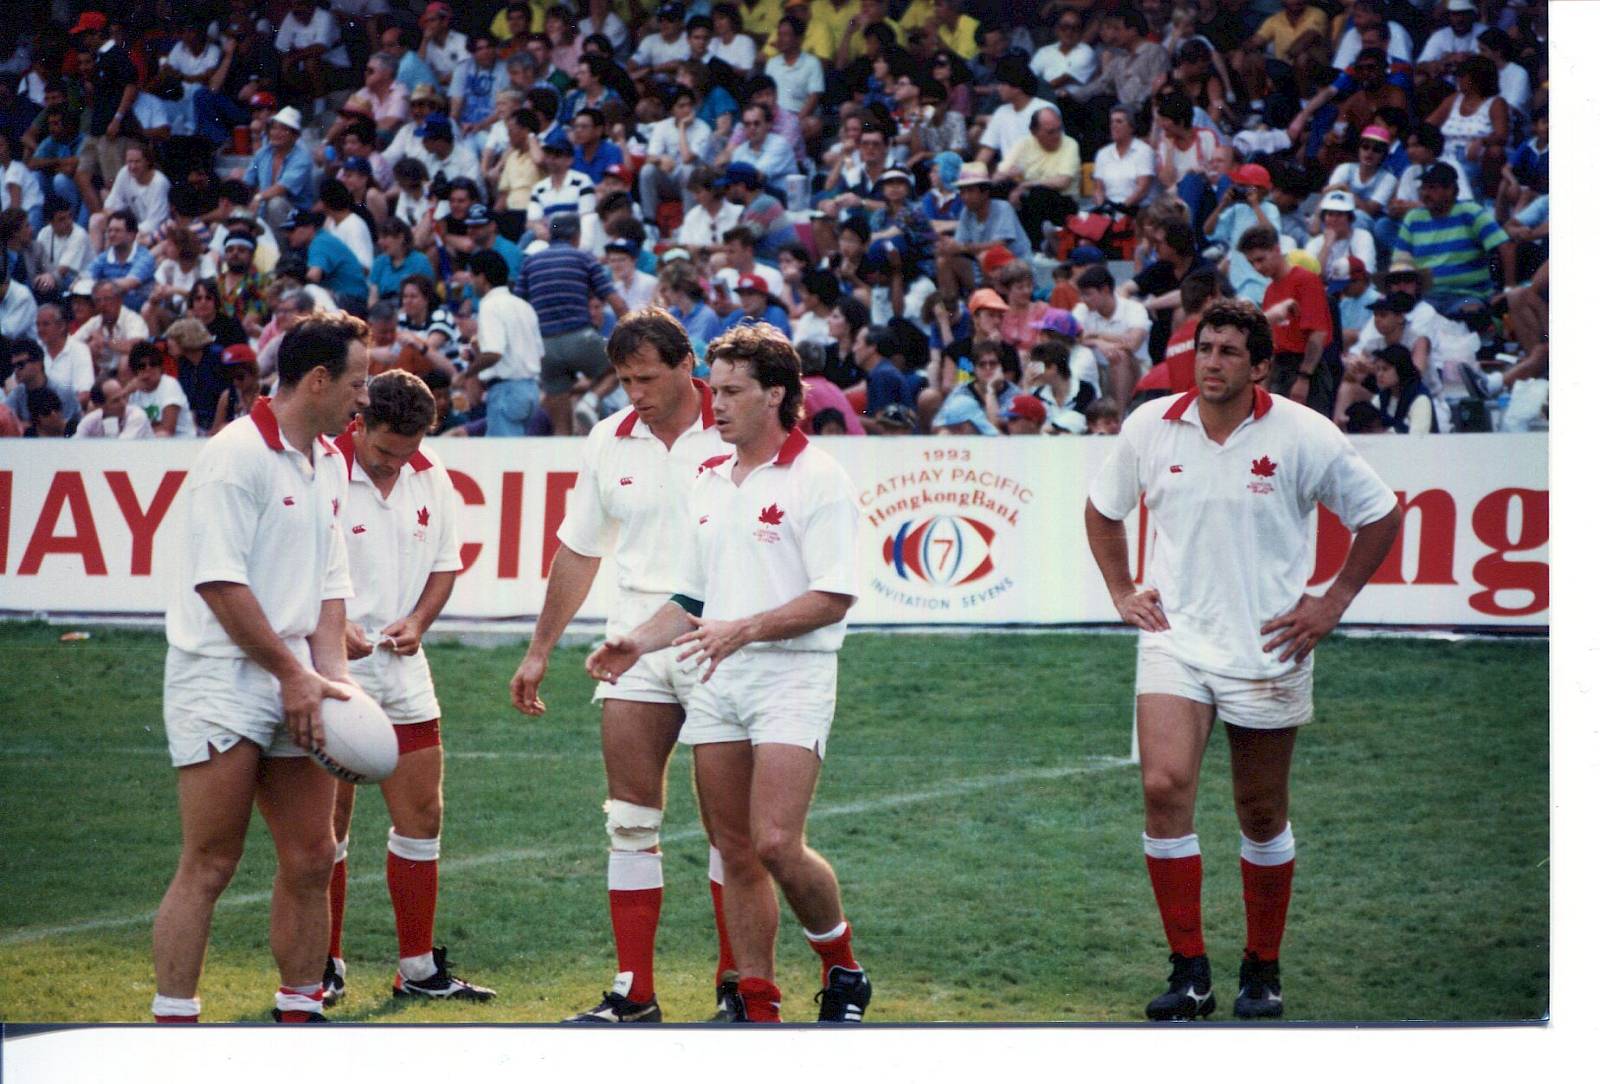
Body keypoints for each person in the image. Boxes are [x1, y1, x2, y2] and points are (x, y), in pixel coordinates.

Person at [1084, 298, 1402, 1023]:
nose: (1212, 362)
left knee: (1259, 811)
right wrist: (1122, 590)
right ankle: (1189, 972)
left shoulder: (1303, 433)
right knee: (1163, 786)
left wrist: (1332, 601)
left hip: (1267, 646)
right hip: (1175, 638)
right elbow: (1102, 510)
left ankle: (1262, 966)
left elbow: (1381, 514)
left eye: (1229, 351)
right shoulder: (1150, 425)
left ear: (1260, 366)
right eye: (1205, 348)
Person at [584, 323, 871, 1025]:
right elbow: (690, 597)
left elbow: (834, 596)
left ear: (776, 395)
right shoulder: (709, 479)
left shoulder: (820, 479)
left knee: (775, 843)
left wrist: (743, 629)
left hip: (792, 679)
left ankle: (840, 963)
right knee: (734, 849)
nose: (719, 405)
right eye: (717, 390)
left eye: (735, 391)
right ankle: (757, 1006)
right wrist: (635, 644)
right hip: (718, 677)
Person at [509, 308, 743, 1022]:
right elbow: (581, 549)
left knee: (731, 833)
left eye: (646, 379)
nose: (634, 394)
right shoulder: (608, 439)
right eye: (624, 381)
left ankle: (739, 986)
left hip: (719, 638)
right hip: (632, 642)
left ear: (687, 367)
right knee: (630, 821)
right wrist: (539, 649)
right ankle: (634, 992)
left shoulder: (736, 429)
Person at [150, 311, 372, 1024]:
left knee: (314, 855)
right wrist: (292, 673)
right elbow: (220, 585)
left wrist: (333, 681)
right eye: (357, 382)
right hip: (220, 677)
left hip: (297, 677)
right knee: (211, 862)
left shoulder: (329, 460)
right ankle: (173, 1024)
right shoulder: (234, 457)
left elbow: (331, 586)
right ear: (318, 380)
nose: (364, 398)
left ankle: (300, 1013)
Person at [319, 368, 494, 1007]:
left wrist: (418, 622)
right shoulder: (322, 469)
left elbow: (446, 564)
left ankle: (417, 969)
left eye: (408, 451)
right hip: (332, 669)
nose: (396, 463)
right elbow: (292, 566)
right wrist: (333, 629)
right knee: (327, 826)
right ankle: (322, 964)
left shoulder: (431, 471)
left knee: (423, 816)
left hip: (403, 669)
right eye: (385, 451)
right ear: (359, 423)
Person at [512, 212, 625, 435]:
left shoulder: (531, 262)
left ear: (551, 235)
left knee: (561, 427)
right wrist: (636, 331)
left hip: (545, 347)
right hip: (580, 337)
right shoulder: (584, 258)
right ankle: (590, 401)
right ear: (576, 235)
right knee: (621, 366)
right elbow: (615, 302)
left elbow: (518, 307)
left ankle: (562, 453)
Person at [463, 249, 543, 436]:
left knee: (504, 452)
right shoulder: (523, 305)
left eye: (472, 276)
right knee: (521, 451)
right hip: (531, 390)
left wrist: (467, 374)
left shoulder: (490, 305)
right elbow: (539, 353)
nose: (471, 282)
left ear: (482, 278)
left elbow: (494, 353)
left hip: (507, 391)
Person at [74, 374, 153, 439]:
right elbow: (75, 445)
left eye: (123, 397)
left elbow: (120, 449)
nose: (123, 403)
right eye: (116, 401)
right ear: (99, 405)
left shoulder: (137, 416)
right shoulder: (90, 421)